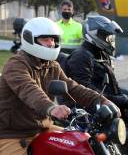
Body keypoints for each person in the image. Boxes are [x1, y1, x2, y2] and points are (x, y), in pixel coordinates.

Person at [0, 17, 118, 155]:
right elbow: (29, 90)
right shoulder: (16, 65)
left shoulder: (51, 65)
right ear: (30, 39)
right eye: (45, 39)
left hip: (42, 128)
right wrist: (52, 108)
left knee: (84, 144)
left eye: (53, 39)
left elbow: (72, 87)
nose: (51, 44)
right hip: (12, 134)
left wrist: (102, 100)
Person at [57, 15, 128, 108]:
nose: (110, 41)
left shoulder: (102, 53)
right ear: (95, 34)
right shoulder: (81, 56)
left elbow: (112, 82)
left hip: (106, 104)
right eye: (107, 37)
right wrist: (114, 99)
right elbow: (84, 89)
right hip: (89, 109)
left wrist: (120, 96)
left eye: (111, 38)